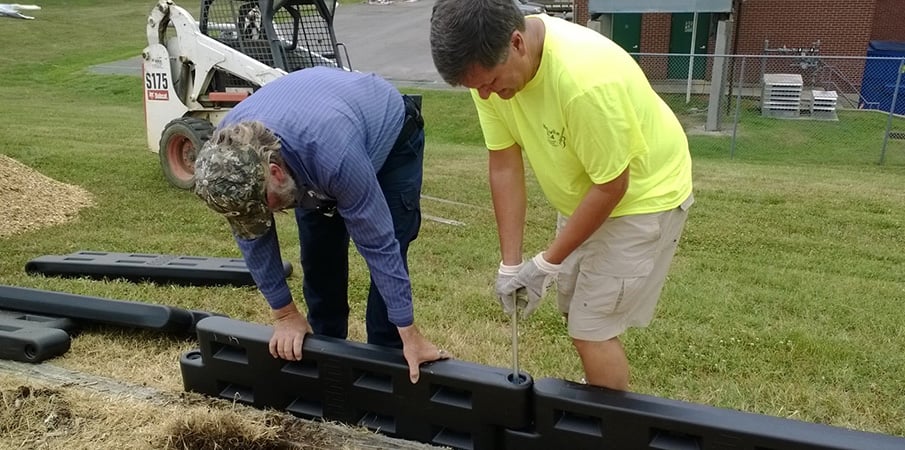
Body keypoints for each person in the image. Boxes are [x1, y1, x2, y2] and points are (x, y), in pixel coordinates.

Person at [430, 0, 693, 390]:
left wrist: (547, 263)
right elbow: (504, 163)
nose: (484, 96)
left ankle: (608, 430)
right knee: (578, 315)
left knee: (592, 329)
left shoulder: (583, 82)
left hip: (642, 198)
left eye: (489, 83)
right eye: (475, 87)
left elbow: (612, 186)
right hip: (586, 192)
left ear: (517, 42)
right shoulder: (488, 71)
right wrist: (512, 263)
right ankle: (595, 403)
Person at [193, 66, 449, 383]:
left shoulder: (332, 154)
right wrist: (284, 314)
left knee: (391, 240)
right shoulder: (229, 155)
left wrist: (409, 330)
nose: (267, 216)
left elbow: (378, 244)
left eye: (266, 206)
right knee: (319, 253)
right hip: (315, 136)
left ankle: (388, 360)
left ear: (275, 173)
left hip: (389, 134)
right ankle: (329, 353)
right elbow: (254, 237)